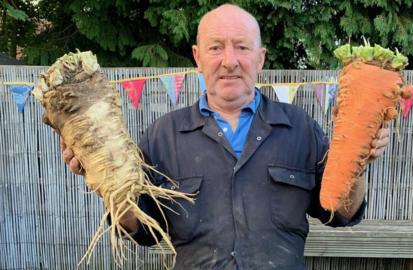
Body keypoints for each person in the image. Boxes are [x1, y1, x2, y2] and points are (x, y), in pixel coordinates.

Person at [62, 4, 391, 269]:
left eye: (242, 47)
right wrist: (103, 174)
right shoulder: (163, 135)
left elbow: (341, 214)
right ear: (198, 57)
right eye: (216, 47)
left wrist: (359, 160)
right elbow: (143, 231)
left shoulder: (300, 128)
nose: (229, 61)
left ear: (260, 58)